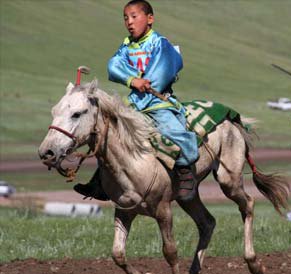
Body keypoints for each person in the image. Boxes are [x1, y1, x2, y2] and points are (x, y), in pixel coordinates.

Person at [73, 0, 199, 202]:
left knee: (172, 129)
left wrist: (144, 81)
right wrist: (132, 80)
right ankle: (101, 181)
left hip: (158, 102)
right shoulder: (126, 46)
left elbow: (166, 67)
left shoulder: (159, 43)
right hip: (134, 103)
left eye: (134, 16)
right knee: (107, 134)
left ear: (150, 19)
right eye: (125, 18)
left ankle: (185, 171)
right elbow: (114, 66)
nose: (129, 22)